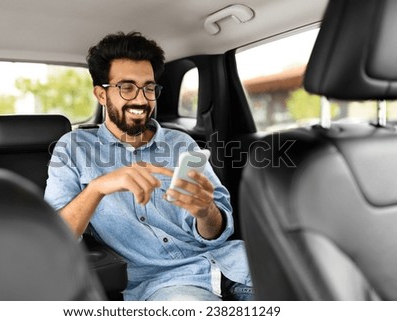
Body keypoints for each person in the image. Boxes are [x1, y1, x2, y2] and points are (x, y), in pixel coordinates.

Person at [44, 31, 253, 301]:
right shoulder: (73, 148)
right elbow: (53, 237)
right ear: (101, 94)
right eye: (126, 87)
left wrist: (206, 212)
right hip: (167, 285)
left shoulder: (181, 143)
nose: (142, 100)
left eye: (149, 87)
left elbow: (217, 231)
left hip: (239, 264)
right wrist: (97, 188)